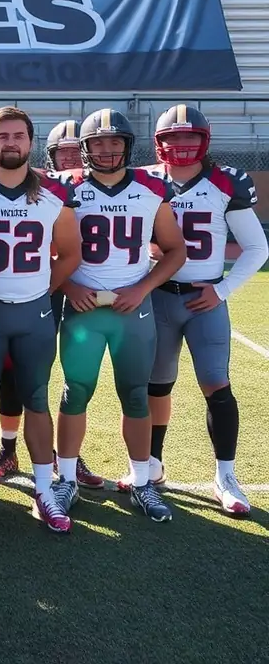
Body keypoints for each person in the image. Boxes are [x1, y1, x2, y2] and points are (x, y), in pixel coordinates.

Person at [0, 108, 82, 539]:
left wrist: (43, 290)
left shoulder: (53, 194)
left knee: (36, 398)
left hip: (34, 312)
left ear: (30, 142)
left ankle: (44, 489)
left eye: (19, 136)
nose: (11, 143)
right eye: (2, 136)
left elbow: (70, 253)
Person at [56, 109, 186, 523]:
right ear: (84, 148)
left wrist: (143, 287)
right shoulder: (67, 190)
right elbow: (41, 250)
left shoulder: (151, 188)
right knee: (76, 391)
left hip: (133, 308)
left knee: (135, 393)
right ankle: (65, 479)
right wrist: (68, 286)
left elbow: (175, 250)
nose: (107, 150)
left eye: (115, 143)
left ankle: (142, 480)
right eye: (98, 143)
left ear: (129, 147)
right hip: (84, 309)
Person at [141, 104, 268, 515]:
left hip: (204, 299)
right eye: (172, 138)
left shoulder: (224, 182)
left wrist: (223, 289)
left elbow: (256, 247)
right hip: (159, 296)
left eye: (189, 137)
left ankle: (225, 475)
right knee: (156, 385)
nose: (181, 145)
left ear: (205, 141)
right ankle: (154, 464)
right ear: (159, 143)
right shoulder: (143, 181)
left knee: (217, 384)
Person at [0, 120, 105, 489]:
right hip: (30, 289)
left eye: (74, 151)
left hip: (56, 291)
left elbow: (74, 249)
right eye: (62, 152)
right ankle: (8, 448)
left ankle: (65, 455)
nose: (69, 158)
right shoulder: (40, 185)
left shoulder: (81, 187)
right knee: (8, 373)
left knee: (51, 377)